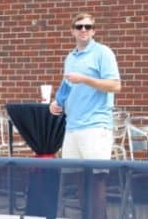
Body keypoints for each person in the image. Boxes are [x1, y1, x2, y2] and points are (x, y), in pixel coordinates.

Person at [49, 13, 121, 219]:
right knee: (77, 181)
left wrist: (85, 79)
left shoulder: (103, 53)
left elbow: (115, 85)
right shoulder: (70, 58)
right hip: (72, 125)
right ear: (72, 30)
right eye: (79, 26)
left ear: (94, 30)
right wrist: (57, 103)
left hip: (96, 125)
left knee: (97, 181)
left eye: (88, 27)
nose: (83, 30)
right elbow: (67, 88)